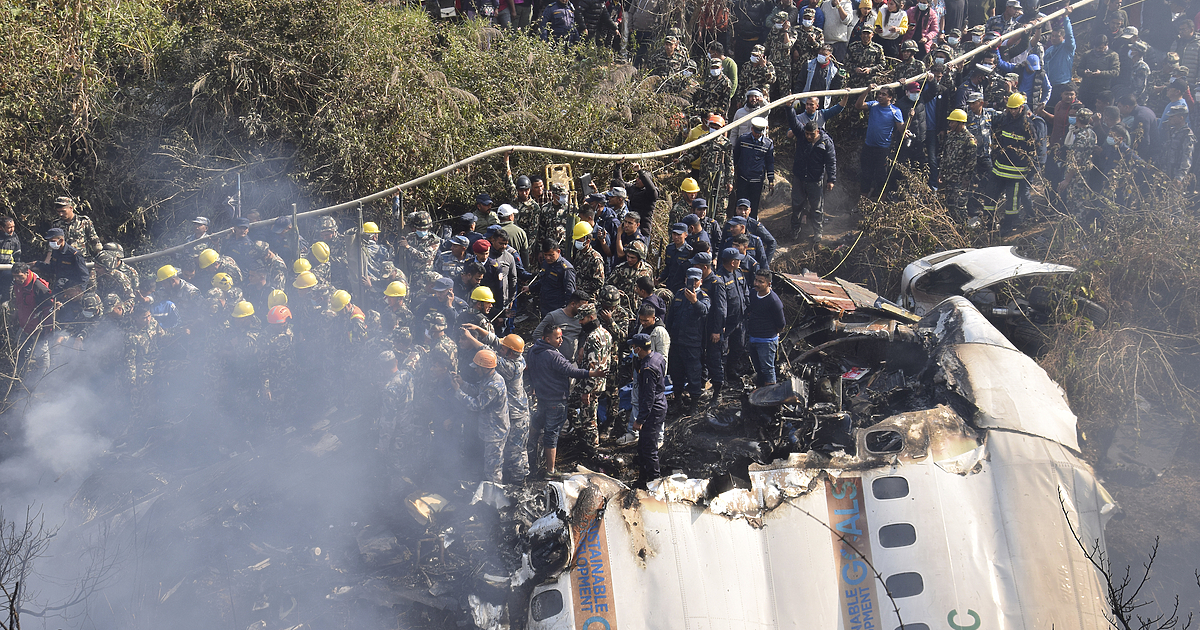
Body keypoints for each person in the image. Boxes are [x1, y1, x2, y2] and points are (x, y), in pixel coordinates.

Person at [527, 325, 604, 478]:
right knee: (551, 435)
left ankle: (530, 461)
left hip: (542, 398)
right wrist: (593, 373)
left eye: (561, 337)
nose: (561, 340)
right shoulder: (553, 356)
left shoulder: (533, 350)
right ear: (547, 339)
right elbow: (571, 371)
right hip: (556, 400)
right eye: (558, 338)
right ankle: (550, 470)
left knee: (535, 428)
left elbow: (530, 370)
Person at [460, 327, 530, 483]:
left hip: (517, 415)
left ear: (510, 353)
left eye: (504, 349)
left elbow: (489, 356)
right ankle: (514, 479)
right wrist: (479, 330)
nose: (500, 348)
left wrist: (471, 338)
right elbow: (496, 342)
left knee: (515, 452)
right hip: (510, 413)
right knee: (508, 454)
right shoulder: (515, 356)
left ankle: (519, 483)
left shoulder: (511, 367)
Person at [451, 348, 509, 483]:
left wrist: (458, 391)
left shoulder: (494, 385)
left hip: (495, 433)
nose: (475, 370)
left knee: (493, 470)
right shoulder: (487, 378)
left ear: (485, 368)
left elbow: (476, 405)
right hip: (488, 430)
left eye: (478, 367)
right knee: (487, 465)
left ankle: (495, 498)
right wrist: (463, 384)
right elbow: (477, 390)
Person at [984, 92, 1037, 233]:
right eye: (1010, 108)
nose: (1012, 111)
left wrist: (1030, 168)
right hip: (1000, 168)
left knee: (1012, 201)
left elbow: (1033, 149)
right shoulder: (1005, 119)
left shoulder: (1027, 125)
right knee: (990, 195)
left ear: (1022, 107)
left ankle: (1008, 226)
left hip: (1016, 171)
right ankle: (989, 223)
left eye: (1015, 108)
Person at [665, 266, 709, 413]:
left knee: (693, 373)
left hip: (692, 343)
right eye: (689, 279)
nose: (691, 282)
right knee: (676, 373)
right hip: (677, 342)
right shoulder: (678, 294)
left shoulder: (703, 296)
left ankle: (694, 405)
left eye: (695, 280)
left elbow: (704, 311)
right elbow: (670, 318)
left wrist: (694, 301)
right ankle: (677, 401)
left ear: (700, 282)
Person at [570, 303, 612, 449]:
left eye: (582, 319)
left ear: (591, 317)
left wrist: (587, 390)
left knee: (589, 419)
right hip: (599, 382)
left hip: (590, 384)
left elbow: (594, 366)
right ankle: (582, 437)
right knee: (573, 407)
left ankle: (592, 448)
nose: (580, 323)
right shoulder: (606, 333)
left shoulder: (594, 338)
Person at [629, 332, 667, 487]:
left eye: (633, 347)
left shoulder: (648, 369)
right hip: (658, 404)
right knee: (643, 446)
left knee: (649, 449)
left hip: (653, 410)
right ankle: (643, 479)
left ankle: (654, 483)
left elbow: (648, 397)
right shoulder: (658, 357)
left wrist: (640, 420)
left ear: (638, 349)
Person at [787, 119, 837, 239]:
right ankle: (795, 230)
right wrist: (789, 107)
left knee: (817, 207)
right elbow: (793, 122)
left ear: (817, 131)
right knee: (797, 205)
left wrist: (831, 180)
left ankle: (817, 232)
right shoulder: (802, 137)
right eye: (807, 133)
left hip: (815, 180)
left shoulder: (826, 142)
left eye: (811, 134)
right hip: (799, 178)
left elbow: (831, 162)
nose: (808, 136)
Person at [855, 85, 905, 200]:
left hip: (883, 149)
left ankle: (880, 204)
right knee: (866, 175)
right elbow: (858, 105)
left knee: (881, 177)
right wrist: (867, 90)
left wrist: (910, 118)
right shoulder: (873, 105)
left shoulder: (895, 111)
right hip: (868, 147)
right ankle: (862, 203)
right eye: (879, 93)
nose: (880, 96)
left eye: (883, 94)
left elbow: (901, 129)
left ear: (890, 97)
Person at [744, 269, 785, 386]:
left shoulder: (774, 301)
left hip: (766, 341)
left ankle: (770, 397)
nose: (756, 283)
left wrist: (771, 333)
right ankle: (760, 393)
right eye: (756, 280)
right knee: (758, 369)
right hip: (753, 338)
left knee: (768, 370)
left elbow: (781, 324)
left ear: (768, 284)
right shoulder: (753, 293)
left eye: (760, 282)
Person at [940, 109, 979, 222]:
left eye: (953, 122)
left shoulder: (969, 139)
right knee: (950, 204)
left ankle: (961, 230)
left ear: (960, 123)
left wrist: (966, 179)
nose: (950, 124)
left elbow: (971, 162)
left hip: (960, 179)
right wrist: (941, 173)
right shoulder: (950, 136)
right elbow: (945, 155)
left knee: (960, 206)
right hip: (949, 177)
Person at [733, 117, 776, 217]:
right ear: (752, 129)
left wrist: (771, 180)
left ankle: (751, 228)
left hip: (757, 180)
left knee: (754, 205)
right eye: (756, 132)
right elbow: (735, 158)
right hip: (743, 178)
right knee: (740, 203)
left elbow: (770, 162)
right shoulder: (743, 140)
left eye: (759, 132)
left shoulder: (768, 144)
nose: (757, 135)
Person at [531, 289, 590, 360]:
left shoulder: (581, 319)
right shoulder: (554, 316)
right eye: (581, 307)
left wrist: (581, 348)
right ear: (573, 304)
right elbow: (537, 334)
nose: (584, 310)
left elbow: (582, 335)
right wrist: (548, 353)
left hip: (572, 363)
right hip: (554, 362)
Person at [530, 239, 575, 317]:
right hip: (545, 306)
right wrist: (530, 288)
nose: (548, 258)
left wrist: (568, 312)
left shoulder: (565, 269)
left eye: (551, 255)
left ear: (558, 251)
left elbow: (570, 292)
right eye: (545, 255)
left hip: (557, 309)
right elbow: (543, 282)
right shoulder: (546, 264)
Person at [1043, 4, 1076, 107]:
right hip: (1050, 85)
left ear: (1063, 37)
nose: (1054, 38)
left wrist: (1065, 17)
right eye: (1052, 36)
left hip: (1063, 85)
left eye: (1057, 36)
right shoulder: (1049, 50)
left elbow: (1070, 35)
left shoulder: (1067, 47)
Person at [846, 19, 885, 88]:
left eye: (868, 33)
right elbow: (846, 62)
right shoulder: (853, 47)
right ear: (861, 34)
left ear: (872, 35)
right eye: (864, 33)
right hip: (854, 82)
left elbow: (882, 64)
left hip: (870, 82)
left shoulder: (877, 49)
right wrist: (855, 68)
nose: (866, 35)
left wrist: (870, 69)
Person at [1161, 105, 1195, 185]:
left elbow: (1186, 158)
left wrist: (1179, 177)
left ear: (1181, 118)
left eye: (1172, 117)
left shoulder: (1187, 135)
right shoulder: (1171, 131)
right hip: (1165, 172)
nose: (1169, 119)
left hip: (1176, 175)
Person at [571, 221, 606, 297]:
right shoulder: (578, 253)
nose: (577, 242)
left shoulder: (595, 258)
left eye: (579, 240)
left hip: (588, 298)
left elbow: (599, 282)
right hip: (576, 295)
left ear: (587, 241)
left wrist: (580, 287)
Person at [658, 223, 695, 292]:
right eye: (674, 234)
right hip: (669, 284)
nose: (676, 237)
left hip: (681, 287)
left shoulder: (689, 251)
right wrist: (660, 278)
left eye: (679, 235)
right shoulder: (669, 248)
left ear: (686, 235)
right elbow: (668, 267)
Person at [0, 216, 21, 303]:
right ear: (1, 228)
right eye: (9, 227)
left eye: (13, 227)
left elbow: (17, 256)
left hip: (8, 270)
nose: (12, 230)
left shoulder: (15, 239)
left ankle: (5, 304)